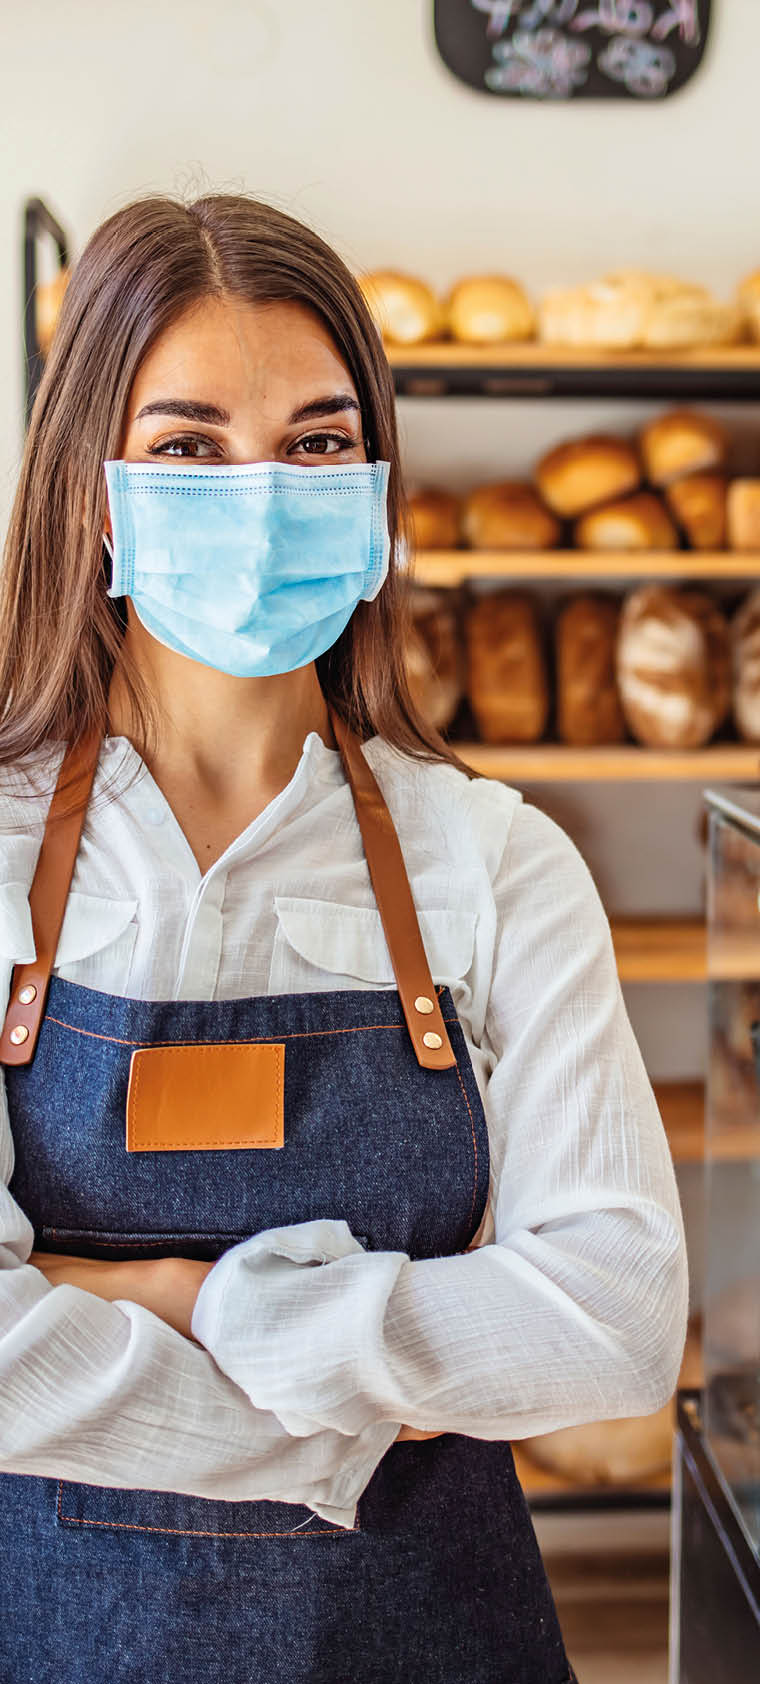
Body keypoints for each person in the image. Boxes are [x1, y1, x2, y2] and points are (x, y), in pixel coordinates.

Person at [0, 192, 687, 1684]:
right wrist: (382, 1387)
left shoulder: (499, 863)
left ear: (375, 485)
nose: (261, 494)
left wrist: (190, 1300)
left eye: (316, 443)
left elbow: (615, 1327)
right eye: (189, 446)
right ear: (94, 495)